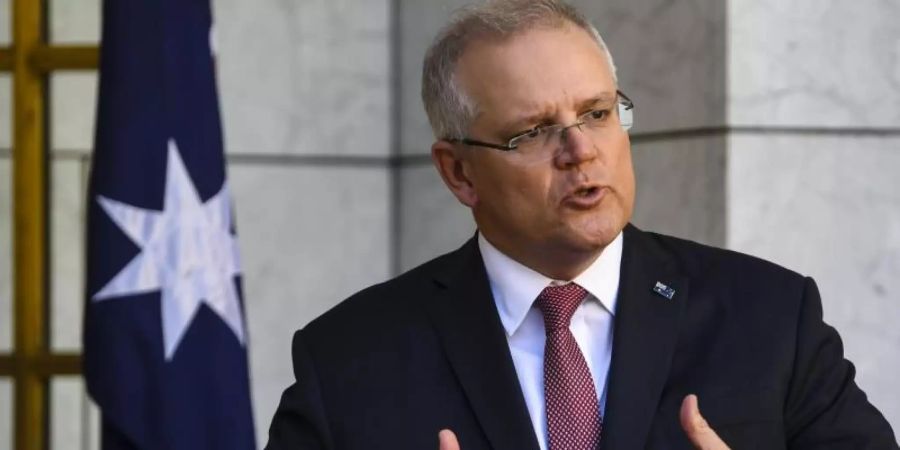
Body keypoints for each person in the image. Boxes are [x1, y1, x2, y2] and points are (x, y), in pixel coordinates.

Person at [265, 1, 899, 449]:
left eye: (597, 114)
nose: (581, 151)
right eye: (534, 132)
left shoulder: (769, 317)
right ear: (459, 172)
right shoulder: (349, 357)